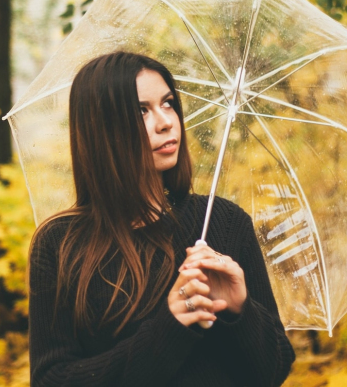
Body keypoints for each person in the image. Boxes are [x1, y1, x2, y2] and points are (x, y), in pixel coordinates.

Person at [28, 52, 295, 386]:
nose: (165, 121)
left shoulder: (224, 223)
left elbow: (274, 371)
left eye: (168, 103)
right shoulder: (60, 243)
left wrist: (240, 310)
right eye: (142, 110)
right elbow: (51, 379)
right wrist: (170, 328)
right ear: (102, 129)